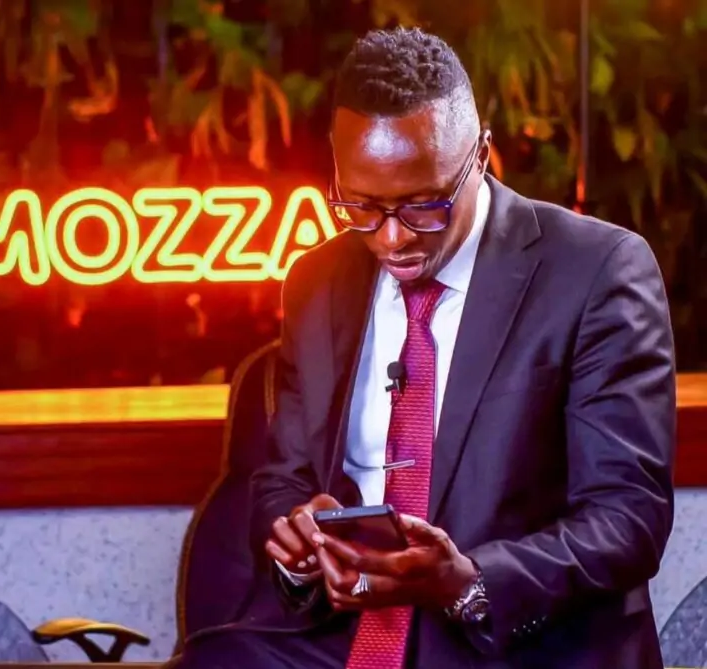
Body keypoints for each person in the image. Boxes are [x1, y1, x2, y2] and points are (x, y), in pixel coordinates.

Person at [186, 27, 676, 668]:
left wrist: (465, 581)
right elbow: (282, 477)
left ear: (481, 156)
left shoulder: (597, 271)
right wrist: (299, 540)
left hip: (517, 643)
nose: (392, 239)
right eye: (362, 206)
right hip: (344, 635)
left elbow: (628, 517)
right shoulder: (318, 281)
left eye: (423, 206)